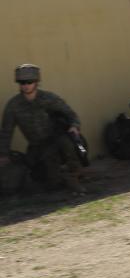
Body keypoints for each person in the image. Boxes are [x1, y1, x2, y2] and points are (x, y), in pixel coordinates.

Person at [0, 64, 85, 193]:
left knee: (66, 143)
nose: (26, 85)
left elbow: (70, 114)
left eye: (29, 82)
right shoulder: (14, 106)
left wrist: (74, 126)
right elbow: (6, 131)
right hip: (37, 146)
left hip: (57, 139)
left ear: (36, 82)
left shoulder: (49, 98)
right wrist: (4, 155)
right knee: (50, 183)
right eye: (22, 82)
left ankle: (75, 174)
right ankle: (60, 178)